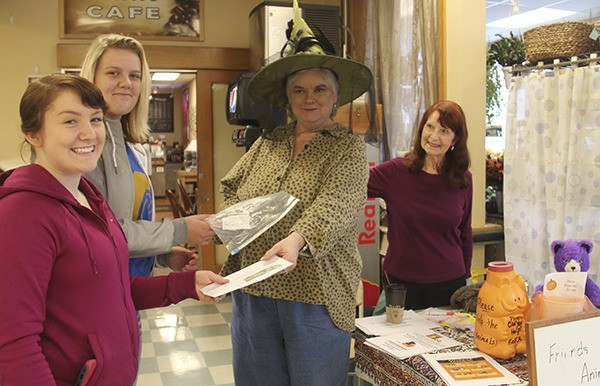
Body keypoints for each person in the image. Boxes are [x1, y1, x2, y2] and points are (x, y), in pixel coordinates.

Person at [0, 74, 228, 385]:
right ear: (33, 134)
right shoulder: (23, 213)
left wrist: (186, 284)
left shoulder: (90, 199)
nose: (88, 133)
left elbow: (113, 289)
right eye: (70, 121)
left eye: (95, 119)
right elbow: (14, 344)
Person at [218, 2, 373, 385]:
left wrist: (296, 239)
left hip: (315, 295)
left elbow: (336, 205)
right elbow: (231, 189)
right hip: (254, 289)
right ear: (288, 98)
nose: (310, 97)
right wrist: (229, 224)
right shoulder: (267, 143)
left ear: (336, 96)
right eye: (299, 89)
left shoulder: (348, 149)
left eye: (320, 88)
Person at [79, 33, 214, 277]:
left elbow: (131, 225)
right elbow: (98, 231)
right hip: (102, 291)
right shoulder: (85, 147)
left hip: (133, 291)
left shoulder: (132, 148)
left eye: (135, 75)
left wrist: (161, 255)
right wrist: (179, 230)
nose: (126, 82)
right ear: (92, 78)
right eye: (113, 73)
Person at [368, 100, 473, 310]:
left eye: (444, 131)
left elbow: (464, 233)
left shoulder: (463, 179)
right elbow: (347, 187)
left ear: (455, 139)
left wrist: (466, 277)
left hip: (450, 282)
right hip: (401, 282)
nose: (434, 136)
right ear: (421, 129)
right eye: (430, 126)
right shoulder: (395, 172)